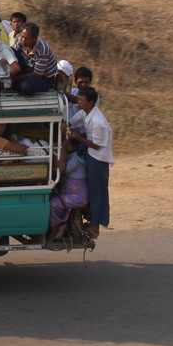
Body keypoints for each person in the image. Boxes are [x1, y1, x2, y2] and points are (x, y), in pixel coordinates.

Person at [66, 87, 113, 239]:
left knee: (97, 193)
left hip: (98, 159)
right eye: (78, 99)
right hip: (90, 154)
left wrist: (77, 138)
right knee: (91, 191)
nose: (78, 102)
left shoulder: (98, 122)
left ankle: (95, 227)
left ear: (91, 103)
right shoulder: (83, 113)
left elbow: (96, 145)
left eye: (81, 100)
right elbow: (71, 122)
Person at [47, 134, 89, 242]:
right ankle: (61, 226)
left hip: (78, 196)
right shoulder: (72, 155)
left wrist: (63, 149)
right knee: (50, 199)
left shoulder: (76, 158)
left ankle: (54, 231)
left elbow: (62, 169)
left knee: (53, 204)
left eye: (65, 143)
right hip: (69, 193)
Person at [12, 22, 58, 95]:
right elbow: (13, 52)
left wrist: (19, 77)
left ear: (35, 38)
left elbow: (38, 74)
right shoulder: (21, 42)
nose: (23, 40)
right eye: (22, 36)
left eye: (27, 39)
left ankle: (17, 84)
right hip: (28, 69)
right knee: (10, 51)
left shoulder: (42, 50)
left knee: (25, 86)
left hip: (43, 78)